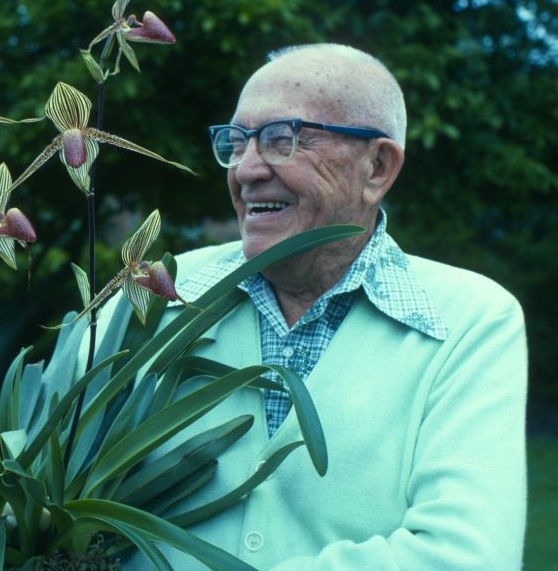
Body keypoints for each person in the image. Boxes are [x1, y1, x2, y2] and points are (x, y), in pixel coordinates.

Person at [107, 44, 527, 569]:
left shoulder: (469, 320)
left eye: (283, 140)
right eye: (235, 143)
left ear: (377, 167)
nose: (246, 170)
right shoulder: (155, 291)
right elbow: (47, 493)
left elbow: (466, 557)